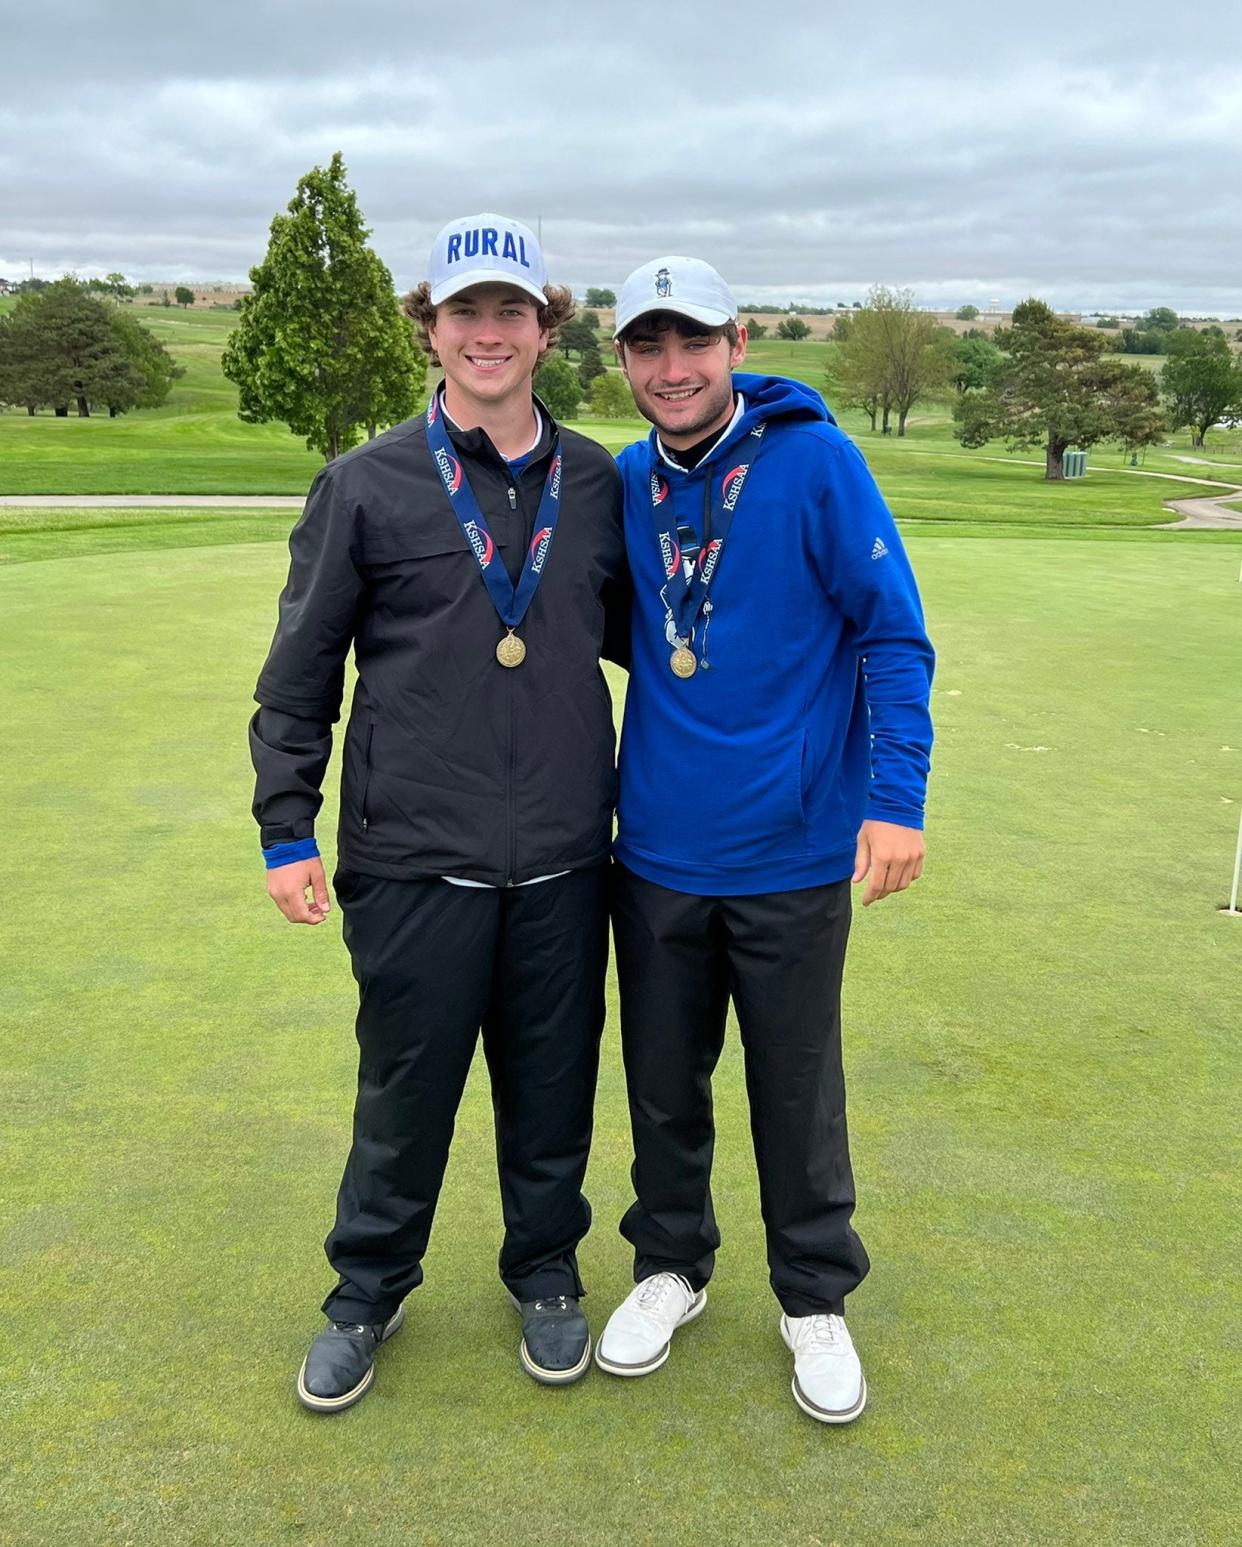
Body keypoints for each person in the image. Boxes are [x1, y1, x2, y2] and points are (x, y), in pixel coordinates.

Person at [249, 213, 629, 1412]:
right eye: (464, 311)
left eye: (511, 311)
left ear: (546, 330)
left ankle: (547, 1271)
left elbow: (653, 644)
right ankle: (367, 1288)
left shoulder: (602, 481)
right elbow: (299, 675)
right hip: (414, 858)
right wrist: (285, 824)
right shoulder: (366, 481)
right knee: (403, 1092)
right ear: (431, 327)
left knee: (553, 1088)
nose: (488, 333)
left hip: (568, 857)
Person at [594, 257, 934, 1424]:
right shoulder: (628, 480)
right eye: (648, 346)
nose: (672, 369)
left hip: (792, 852)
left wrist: (897, 798)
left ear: (737, 342)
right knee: (662, 1087)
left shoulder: (817, 462)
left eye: (692, 342)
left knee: (796, 1089)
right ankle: (672, 1268)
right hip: (654, 855)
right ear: (625, 360)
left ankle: (813, 1295)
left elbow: (895, 636)